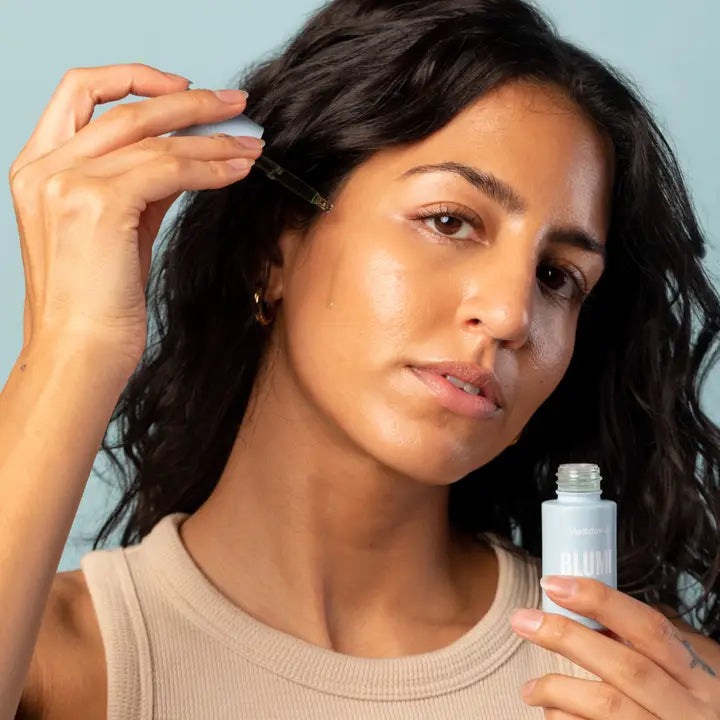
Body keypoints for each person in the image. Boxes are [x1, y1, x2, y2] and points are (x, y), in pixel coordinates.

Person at [2, 0, 720, 717]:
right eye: (449, 221)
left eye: (558, 276)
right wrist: (75, 341)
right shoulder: (59, 666)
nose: (511, 315)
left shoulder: (667, 692)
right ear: (273, 247)